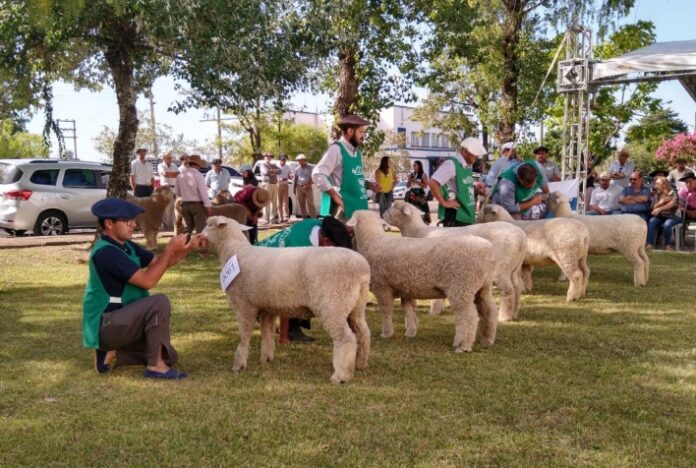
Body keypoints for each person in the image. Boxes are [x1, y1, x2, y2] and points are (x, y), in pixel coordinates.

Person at [83, 198, 205, 379]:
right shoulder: (106, 252)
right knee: (158, 302)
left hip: (123, 321)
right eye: (128, 221)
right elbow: (148, 281)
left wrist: (186, 248)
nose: (134, 224)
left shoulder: (126, 245)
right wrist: (171, 248)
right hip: (107, 324)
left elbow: (161, 263)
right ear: (109, 224)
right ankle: (155, 367)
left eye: (133, 220)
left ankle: (112, 353)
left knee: (170, 356)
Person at [257, 217, 353, 342]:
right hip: (261, 272)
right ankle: (289, 329)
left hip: (263, 257)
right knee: (305, 287)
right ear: (327, 242)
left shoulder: (318, 225)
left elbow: (335, 226)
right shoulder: (300, 252)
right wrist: (283, 336)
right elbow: (284, 291)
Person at [312, 114, 380, 220]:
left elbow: (354, 180)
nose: (363, 136)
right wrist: (337, 198)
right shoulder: (336, 150)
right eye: (361, 132)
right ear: (350, 132)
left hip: (360, 211)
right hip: (346, 215)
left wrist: (369, 185)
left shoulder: (357, 153)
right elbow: (318, 174)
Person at [429, 137, 488, 227]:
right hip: (456, 216)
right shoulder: (451, 164)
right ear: (465, 151)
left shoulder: (468, 165)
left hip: (466, 215)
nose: (477, 156)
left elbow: (462, 186)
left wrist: (476, 189)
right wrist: (443, 202)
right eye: (475, 153)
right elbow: (433, 182)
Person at [175, 155, 212, 239]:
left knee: (189, 229)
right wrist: (208, 205)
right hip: (197, 205)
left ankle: (185, 245)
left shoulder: (180, 175)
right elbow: (203, 192)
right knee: (201, 229)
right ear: (198, 165)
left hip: (185, 204)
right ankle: (202, 250)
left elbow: (177, 192)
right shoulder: (198, 175)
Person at [646, 176, 681, 250]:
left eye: (658, 184)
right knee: (652, 221)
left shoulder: (672, 191)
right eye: (655, 184)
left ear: (664, 184)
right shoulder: (657, 194)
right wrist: (660, 201)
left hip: (674, 216)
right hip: (662, 216)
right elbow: (653, 208)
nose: (656, 185)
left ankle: (667, 245)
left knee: (667, 224)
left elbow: (672, 204)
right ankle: (649, 244)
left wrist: (659, 209)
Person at [157, 152, 179, 229]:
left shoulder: (174, 165)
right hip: (165, 187)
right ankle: (165, 224)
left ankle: (172, 225)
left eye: (170, 157)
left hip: (174, 187)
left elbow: (178, 174)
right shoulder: (160, 165)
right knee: (165, 207)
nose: (170, 159)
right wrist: (173, 174)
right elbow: (164, 174)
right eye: (168, 157)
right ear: (164, 158)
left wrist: (170, 174)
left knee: (173, 207)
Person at [259, 152, 281, 224]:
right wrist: (274, 172)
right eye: (267, 156)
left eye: (270, 156)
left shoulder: (273, 165)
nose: (269, 157)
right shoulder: (263, 164)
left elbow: (280, 171)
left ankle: (272, 219)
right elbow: (266, 172)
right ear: (264, 157)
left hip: (274, 184)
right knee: (266, 202)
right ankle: (266, 219)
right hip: (267, 184)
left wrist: (272, 171)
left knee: (274, 202)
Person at [294, 154, 317, 218]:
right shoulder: (297, 168)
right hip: (299, 187)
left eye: (301, 160)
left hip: (308, 187)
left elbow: (312, 177)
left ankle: (313, 218)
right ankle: (304, 218)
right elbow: (296, 178)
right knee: (301, 203)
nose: (300, 162)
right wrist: (294, 188)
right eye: (298, 160)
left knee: (310, 203)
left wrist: (308, 184)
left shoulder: (311, 167)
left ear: (304, 160)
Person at [277, 154, 293, 223]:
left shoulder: (288, 167)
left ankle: (286, 217)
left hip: (285, 185)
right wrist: (279, 178)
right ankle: (280, 218)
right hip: (278, 185)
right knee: (278, 202)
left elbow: (290, 174)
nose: (283, 161)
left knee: (285, 202)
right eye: (282, 159)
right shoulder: (276, 166)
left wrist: (290, 176)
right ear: (280, 160)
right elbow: (273, 176)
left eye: (285, 160)